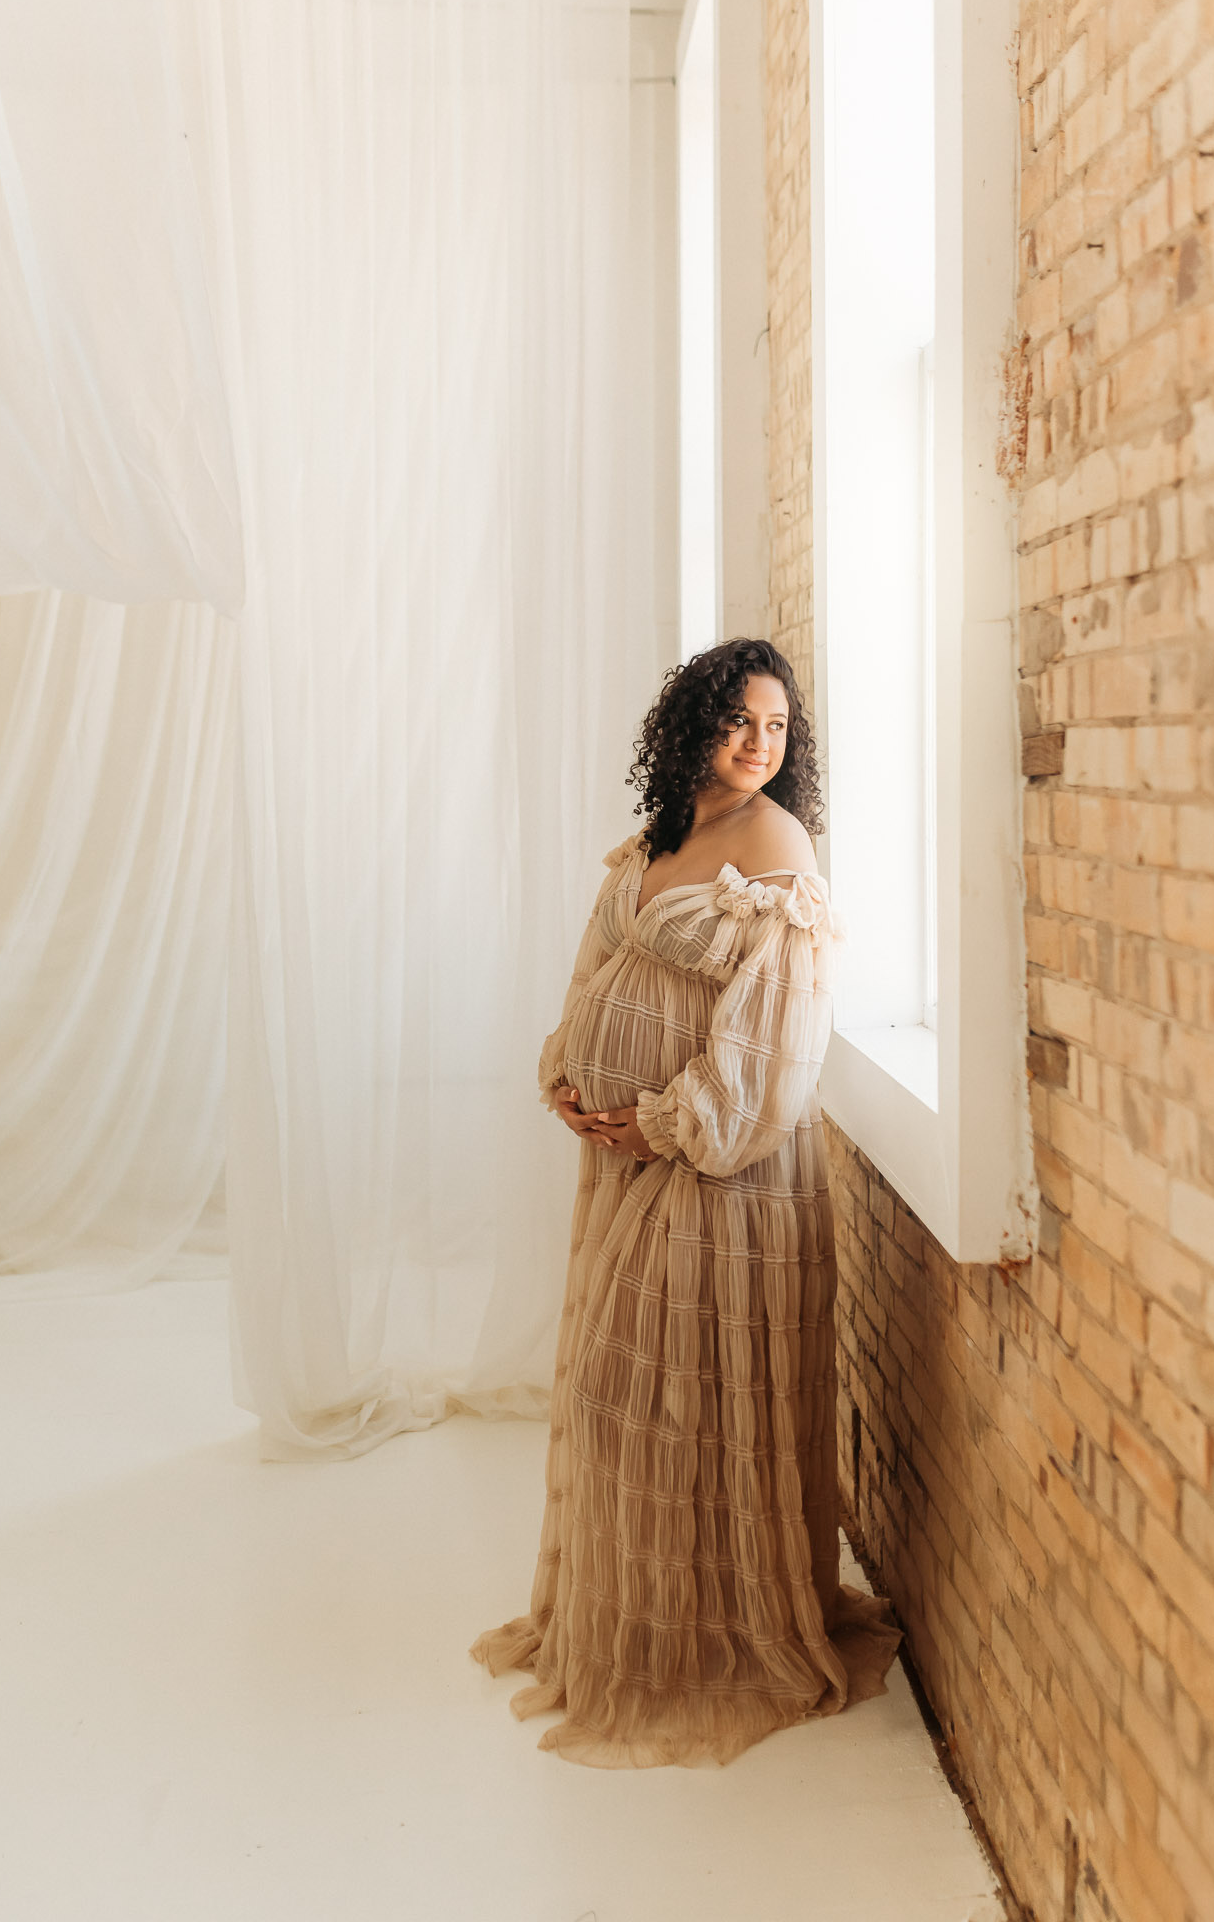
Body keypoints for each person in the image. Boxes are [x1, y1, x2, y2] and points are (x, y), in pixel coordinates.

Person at [470, 636, 902, 1768]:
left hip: (720, 1172)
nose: (759, 745)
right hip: (621, 1161)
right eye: (739, 721)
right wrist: (570, 1070)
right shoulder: (667, 830)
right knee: (621, 1390)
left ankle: (704, 1644)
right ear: (693, 723)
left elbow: (778, 1037)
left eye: (776, 727)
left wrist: (667, 1121)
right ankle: (629, 1627)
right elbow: (595, 959)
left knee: (665, 1390)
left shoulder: (776, 844)